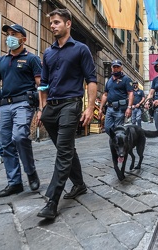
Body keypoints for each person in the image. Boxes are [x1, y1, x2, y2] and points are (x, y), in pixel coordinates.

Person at [36, 8, 97, 219]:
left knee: (62, 151)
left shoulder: (81, 50)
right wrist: (41, 108)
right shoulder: (48, 52)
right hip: (51, 107)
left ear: (68, 23)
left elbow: (91, 80)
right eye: (51, 23)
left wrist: (89, 107)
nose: (52, 26)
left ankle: (52, 201)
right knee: (67, 149)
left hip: (71, 105)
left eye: (56, 22)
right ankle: (79, 184)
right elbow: (43, 84)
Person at [0, 23, 41, 198]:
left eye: (14, 34)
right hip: (4, 106)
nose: (10, 37)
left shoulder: (31, 59)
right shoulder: (1, 61)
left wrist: (42, 108)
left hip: (23, 103)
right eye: (8, 34)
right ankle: (15, 183)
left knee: (19, 136)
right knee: (6, 144)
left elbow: (40, 85)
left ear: (23, 39)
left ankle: (31, 172)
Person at [99, 59, 134, 134]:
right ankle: (116, 142)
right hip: (109, 108)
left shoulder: (126, 79)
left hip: (120, 109)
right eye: (114, 67)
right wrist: (100, 108)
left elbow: (130, 93)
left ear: (121, 68)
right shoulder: (109, 81)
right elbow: (105, 95)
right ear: (111, 68)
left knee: (118, 129)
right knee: (108, 128)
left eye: (117, 67)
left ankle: (118, 144)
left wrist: (129, 107)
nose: (115, 69)